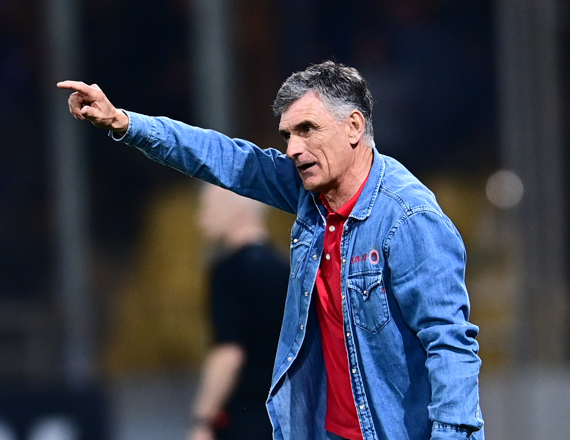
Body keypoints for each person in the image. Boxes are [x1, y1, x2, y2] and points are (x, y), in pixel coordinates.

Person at [58, 60, 484, 440]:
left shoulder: (408, 218)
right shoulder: (310, 194)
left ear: (354, 127)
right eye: (287, 135)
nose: (293, 149)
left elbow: (450, 343)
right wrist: (124, 123)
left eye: (307, 130)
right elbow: (221, 157)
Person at [188, 183, 289, 440]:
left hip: (243, 421)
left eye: (207, 207)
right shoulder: (286, 269)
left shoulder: (228, 272)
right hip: (283, 417)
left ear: (234, 209)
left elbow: (229, 353)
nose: (200, 218)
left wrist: (202, 419)